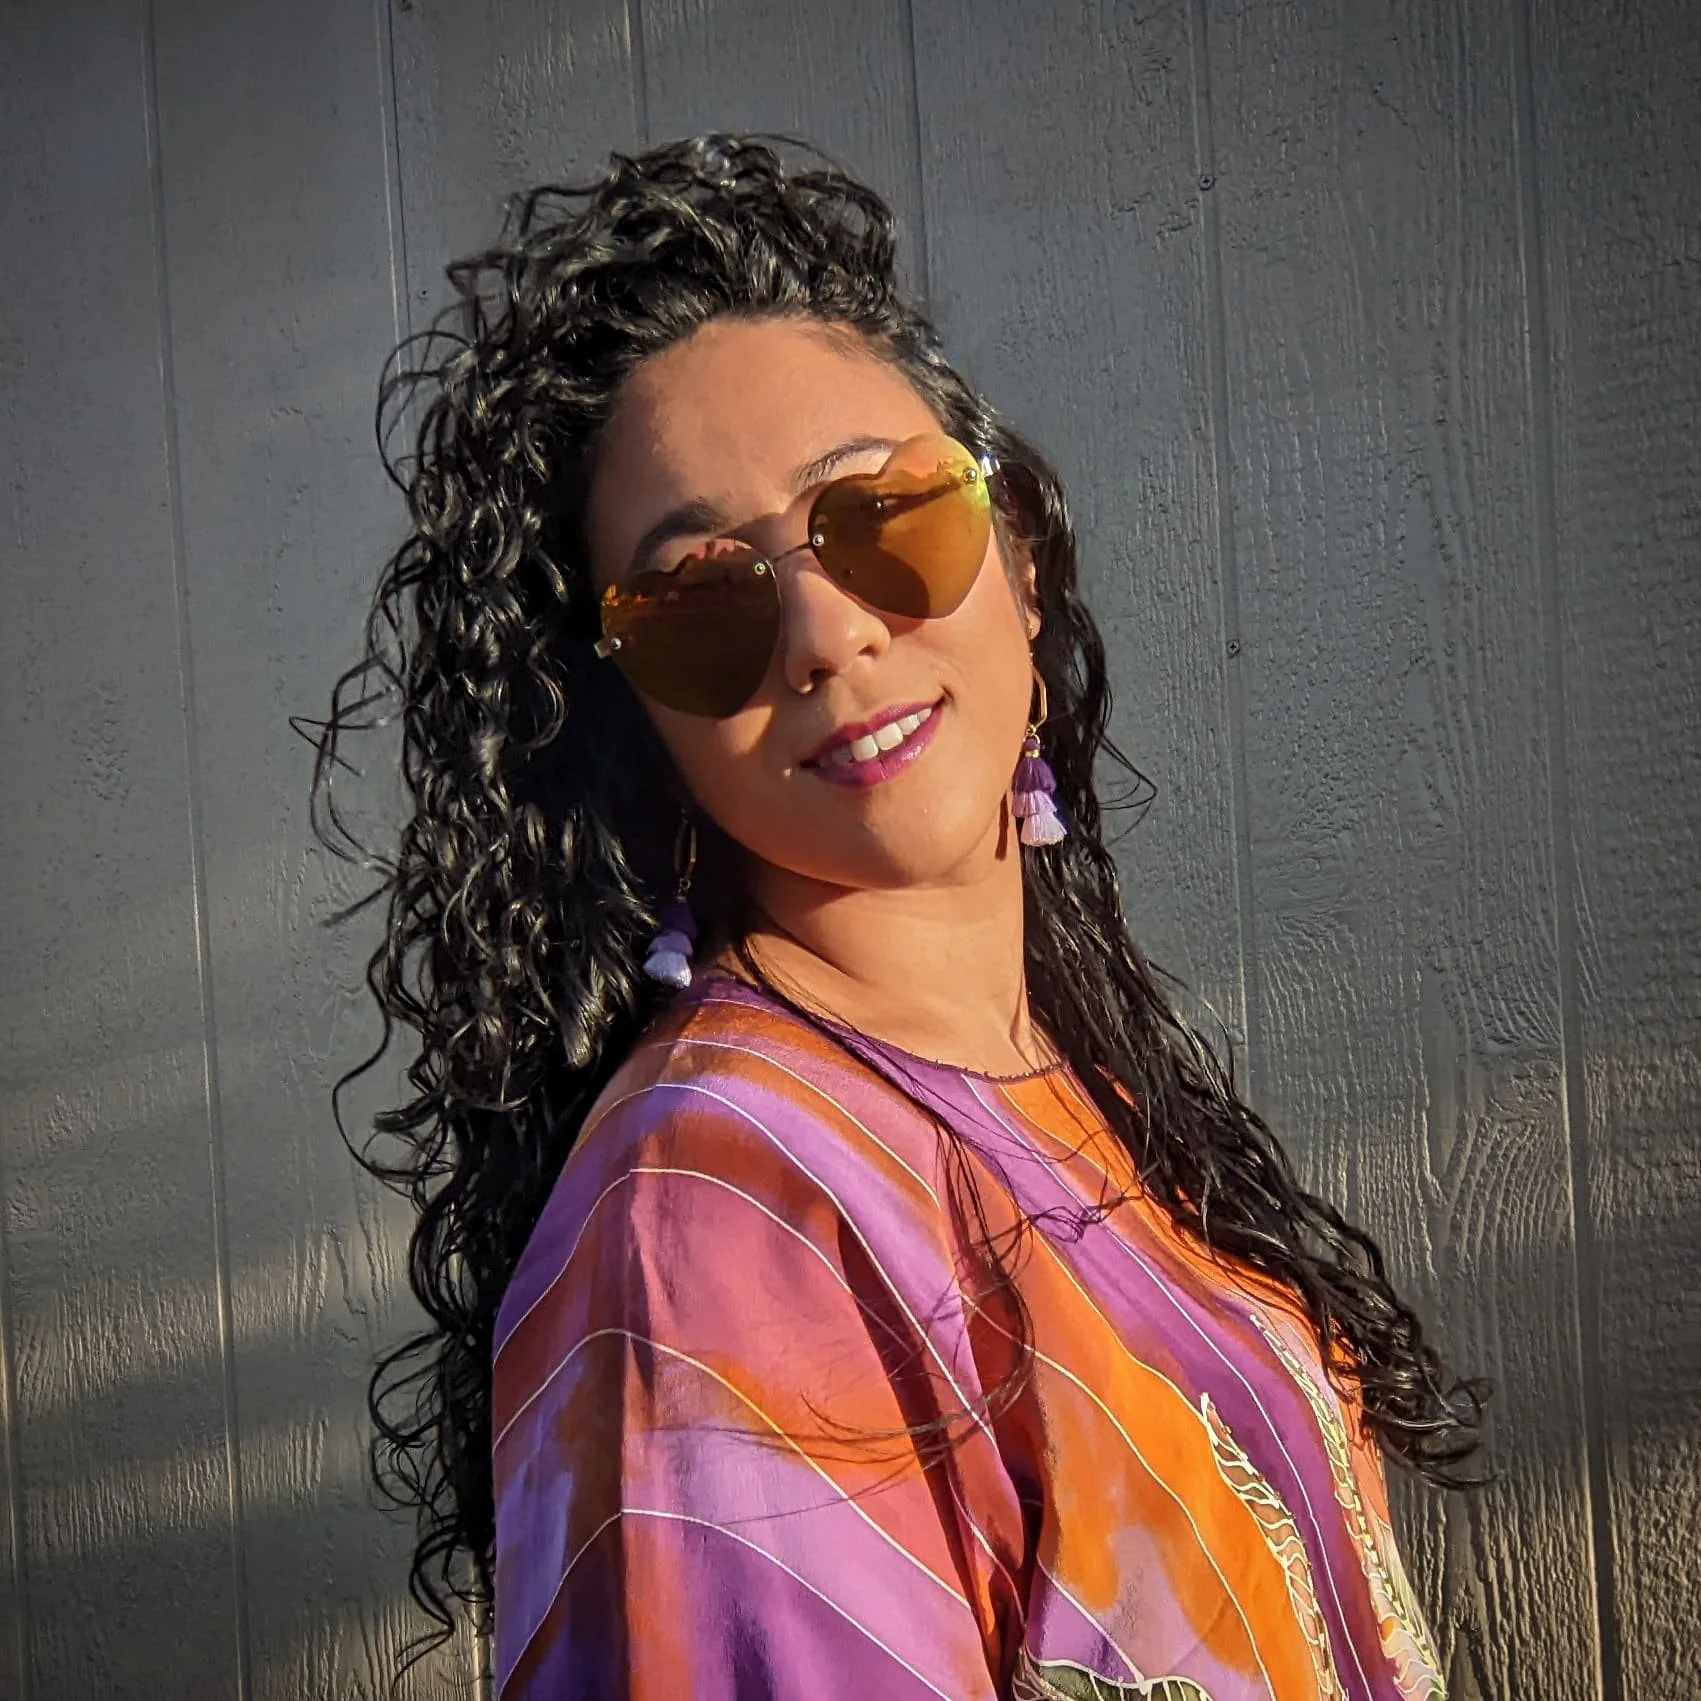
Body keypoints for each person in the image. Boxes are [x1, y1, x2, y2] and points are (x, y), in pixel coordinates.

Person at [311, 133, 1489, 1700]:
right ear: (626, 721)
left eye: (883, 517)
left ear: (1017, 546)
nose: (824, 630)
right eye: (702, 603)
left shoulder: (1061, 1083)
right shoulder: (718, 1223)